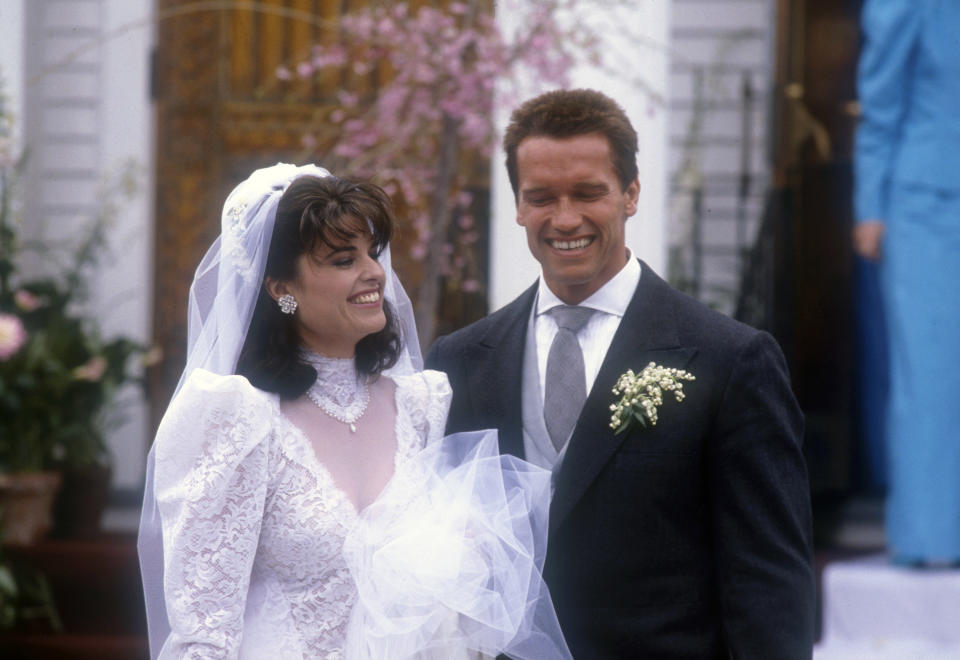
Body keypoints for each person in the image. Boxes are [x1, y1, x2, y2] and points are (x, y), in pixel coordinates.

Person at [425, 89, 815, 658]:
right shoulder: (458, 361)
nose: (564, 219)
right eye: (541, 197)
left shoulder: (730, 359)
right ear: (516, 205)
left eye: (588, 194)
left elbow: (769, 577)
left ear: (631, 194)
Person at [137, 164, 571, 659]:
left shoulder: (421, 405)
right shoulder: (235, 420)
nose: (373, 272)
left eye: (372, 252)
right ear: (281, 289)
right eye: (343, 260)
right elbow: (204, 631)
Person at [853, 0, 960, 565]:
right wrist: (870, 207)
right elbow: (882, 102)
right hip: (929, 209)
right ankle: (931, 538)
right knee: (932, 374)